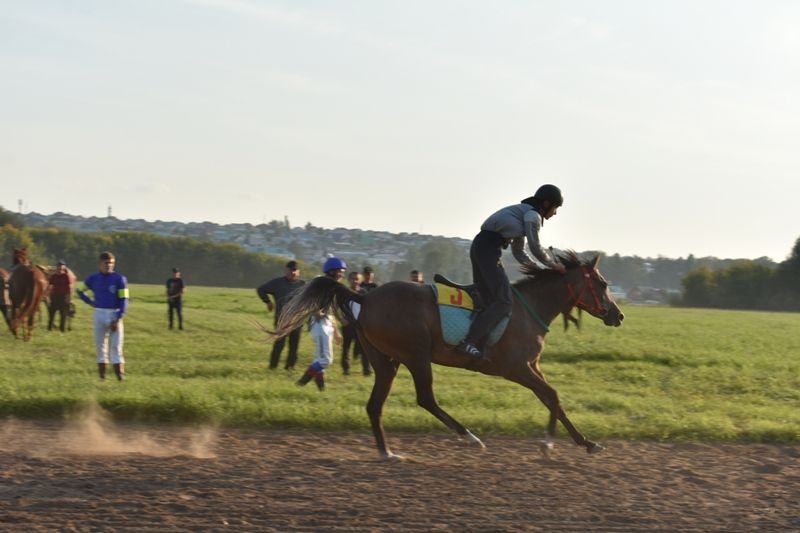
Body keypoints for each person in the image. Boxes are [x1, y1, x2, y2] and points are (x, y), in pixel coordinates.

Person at [457, 184, 567, 360]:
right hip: (488, 250)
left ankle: (478, 345)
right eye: (555, 208)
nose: (555, 213)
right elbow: (535, 247)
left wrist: (538, 270)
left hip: (481, 246)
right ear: (546, 204)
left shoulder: (524, 214)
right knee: (505, 300)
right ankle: (469, 342)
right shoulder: (533, 216)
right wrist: (553, 265)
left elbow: (519, 252)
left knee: (489, 299)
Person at [76, 251, 130, 380]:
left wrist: (118, 317)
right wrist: (90, 302)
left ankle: (120, 375)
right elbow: (79, 290)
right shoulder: (93, 278)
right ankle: (102, 376)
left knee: (116, 346)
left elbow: (124, 299)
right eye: (106, 263)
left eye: (111, 263)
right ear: (100, 264)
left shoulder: (120, 279)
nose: (109, 266)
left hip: (114, 313)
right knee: (100, 346)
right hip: (99, 313)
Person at [297, 256, 345, 390]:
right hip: (320, 325)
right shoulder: (321, 284)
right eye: (339, 271)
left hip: (327, 324)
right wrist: (316, 311)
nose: (342, 274)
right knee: (326, 360)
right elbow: (311, 299)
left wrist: (336, 331)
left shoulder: (334, 287)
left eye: (342, 271)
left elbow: (331, 311)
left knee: (319, 358)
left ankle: (321, 389)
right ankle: (302, 382)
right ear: (331, 271)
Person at [257, 260, 305, 370]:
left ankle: (290, 367)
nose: (292, 273)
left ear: (298, 272)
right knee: (279, 345)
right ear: (285, 271)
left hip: (297, 321)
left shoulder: (303, 285)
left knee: (294, 346)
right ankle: (272, 367)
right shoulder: (277, 283)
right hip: (281, 320)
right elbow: (261, 290)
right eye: (290, 270)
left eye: (295, 270)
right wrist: (268, 302)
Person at [340, 271, 366, 376]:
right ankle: (346, 369)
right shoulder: (344, 292)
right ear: (348, 280)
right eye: (352, 279)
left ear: (360, 280)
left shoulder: (364, 292)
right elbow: (339, 306)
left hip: (360, 325)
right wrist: (342, 319)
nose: (355, 281)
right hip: (347, 324)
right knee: (346, 348)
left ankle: (366, 369)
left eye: (357, 279)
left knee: (364, 348)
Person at [47, 260, 72, 332]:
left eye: (61, 266)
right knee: (51, 313)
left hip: (63, 297)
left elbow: (69, 287)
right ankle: (49, 328)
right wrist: (48, 296)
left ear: (64, 267)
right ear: (56, 267)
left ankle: (62, 329)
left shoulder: (66, 276)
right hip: (54, 296)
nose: (60, 267)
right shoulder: (54, 276)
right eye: (59, 266)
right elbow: (50, 286)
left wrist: (69, 298)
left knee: (63, 314)